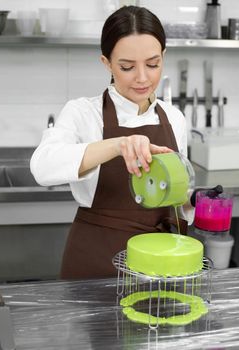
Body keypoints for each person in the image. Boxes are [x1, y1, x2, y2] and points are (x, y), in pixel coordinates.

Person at [30, 6, 188, 279]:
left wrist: (195, 203)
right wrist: (117, 145)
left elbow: (176, 196)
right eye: (127, 67)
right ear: (107, 63)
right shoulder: (82, 113)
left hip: (158, 264)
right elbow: (42, 167)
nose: (142, 77)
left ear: (163, 57)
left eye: (153, 64)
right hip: (96, 260)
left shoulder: (174, 118)